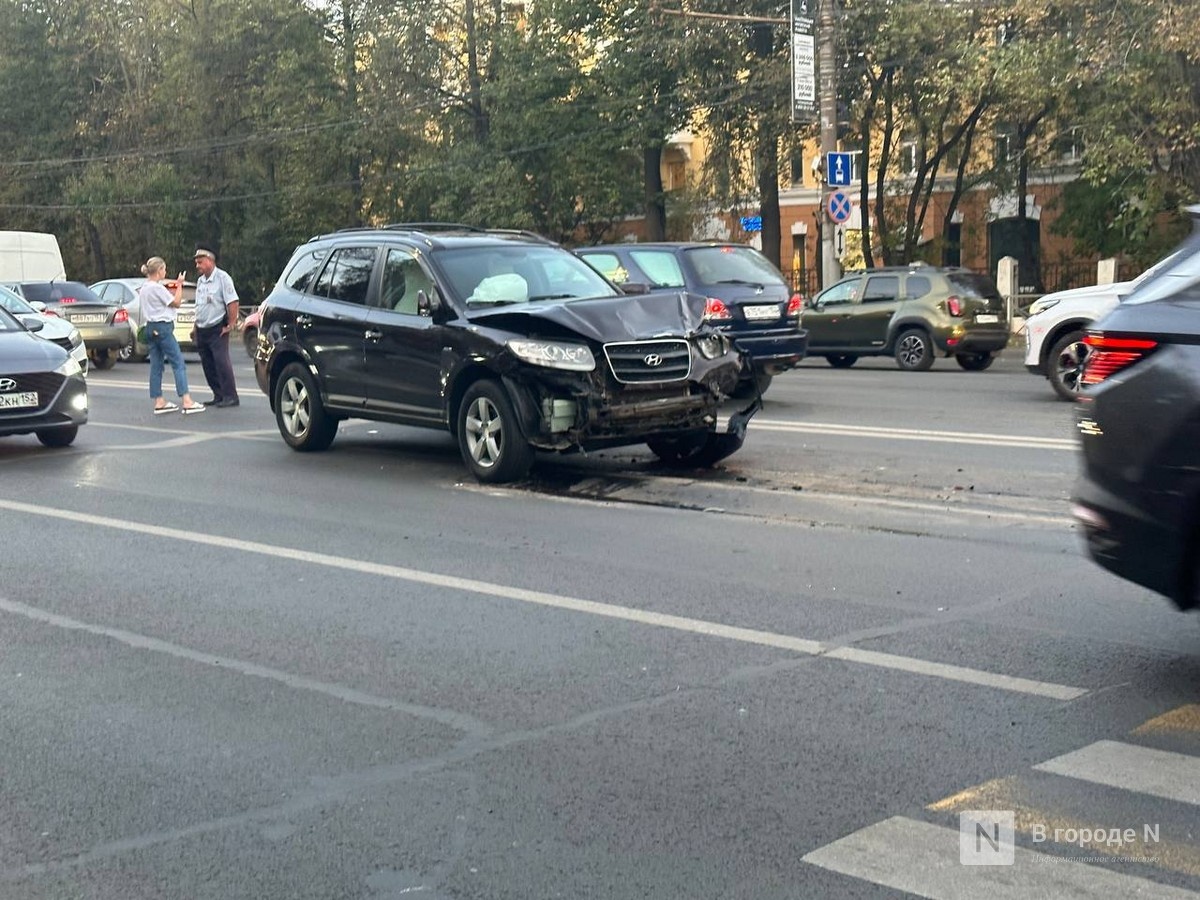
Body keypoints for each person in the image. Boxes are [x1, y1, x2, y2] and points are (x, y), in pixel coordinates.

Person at [138, 257, 204, 415]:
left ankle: (158, 400)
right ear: (159, 270)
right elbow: (176, 302)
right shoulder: (157, 288)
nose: (165, 272)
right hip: (163, 328)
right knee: (178, 363)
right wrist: (179, 283)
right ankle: (186, 400)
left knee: (156, 366)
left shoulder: (144, 288)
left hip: (151, 327)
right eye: (164, 269)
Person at [191, 245, 240, 407]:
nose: (197, 266)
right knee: (208, 364)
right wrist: (195, 327)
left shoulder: (222, 278)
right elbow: (200, 306)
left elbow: (232, 302)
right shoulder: (201, 281)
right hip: (202, 328)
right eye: (196, 263)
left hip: (217, 327)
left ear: (210, 261)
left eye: (200, 262)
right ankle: (218, 394)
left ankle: (230, 396)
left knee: (221, 362)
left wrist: (231, 324)